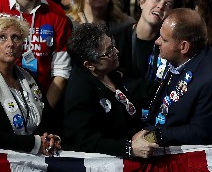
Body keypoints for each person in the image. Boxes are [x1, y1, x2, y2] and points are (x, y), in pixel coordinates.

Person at [144, 8, 212, 145]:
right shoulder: (182, 59)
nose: (157, 41)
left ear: (184, 47)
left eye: (164, 39)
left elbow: (201, 133)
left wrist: (153, 136)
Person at [64, 23, 158, 158]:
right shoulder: (80, 91)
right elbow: (84, 141)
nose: (116, 52)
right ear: (90, 65)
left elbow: (139, 89)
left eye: (113, 45)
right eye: (109, 52)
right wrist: (128, 148)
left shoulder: (109, 72)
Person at [0, 14, 60, 155]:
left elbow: (49, 120)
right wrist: (33, 143)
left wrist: (52, 137)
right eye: (2, 37)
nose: (10, 43)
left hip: (38, 160)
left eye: (16, 37)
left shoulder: (28, 77)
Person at [111, 0, 174, 83]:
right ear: (142, 2)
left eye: (168, 4)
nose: (161, 6)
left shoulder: (169, 46)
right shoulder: (116, 38)